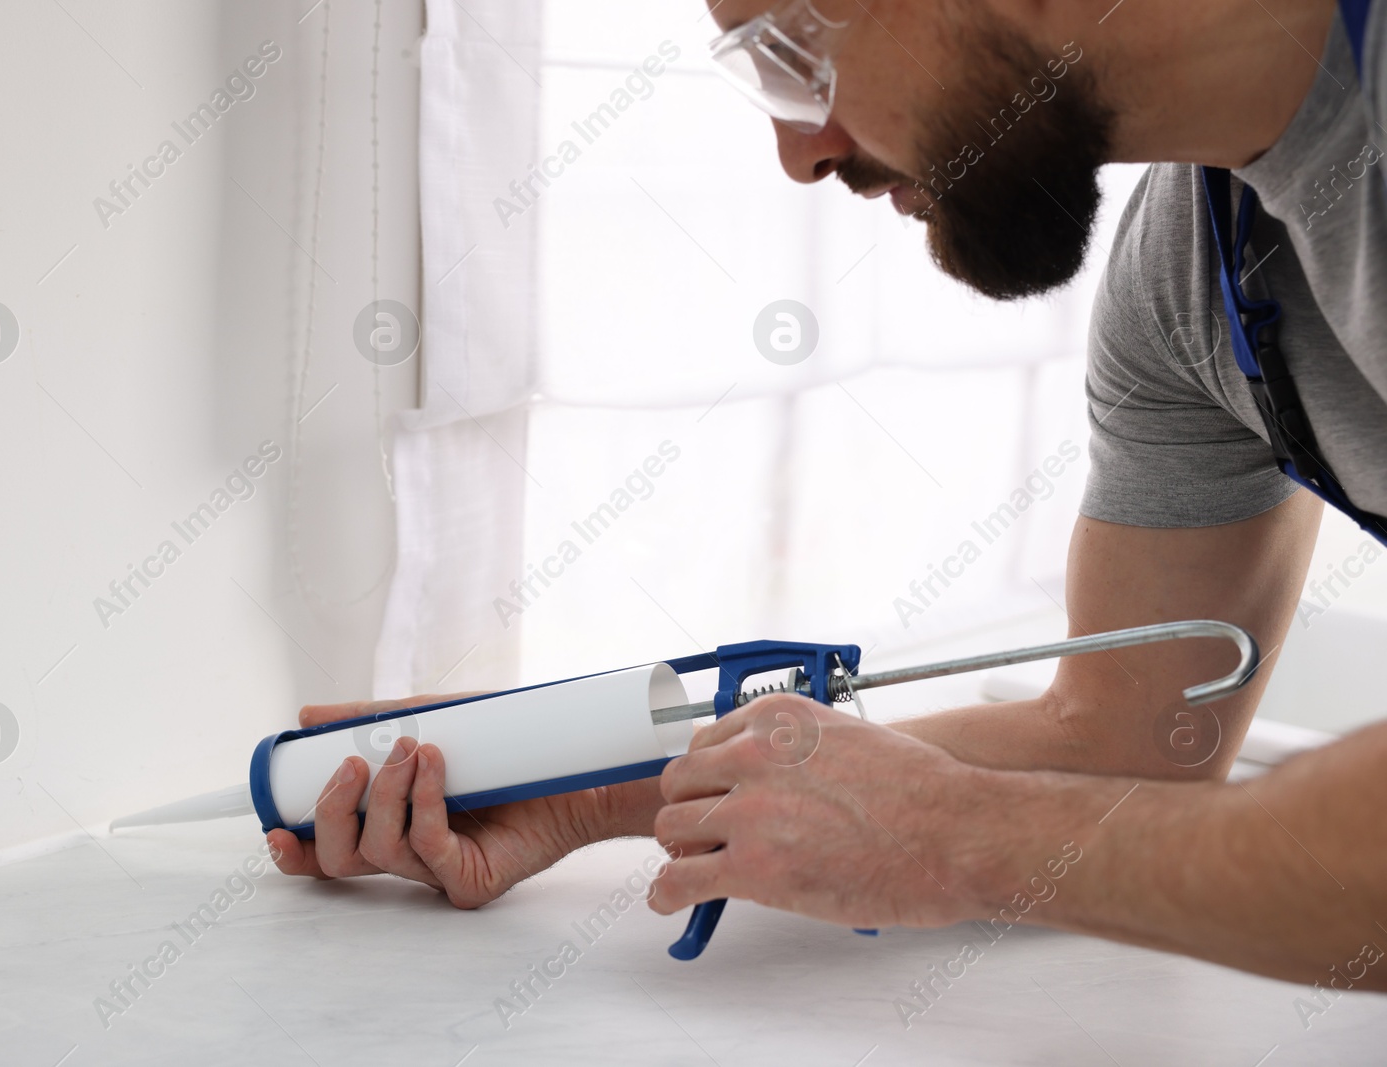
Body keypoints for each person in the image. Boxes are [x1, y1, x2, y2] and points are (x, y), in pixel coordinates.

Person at [270, 0, 1387, 991]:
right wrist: (591, 792)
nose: (798, 154)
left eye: (789, 49)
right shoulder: (1194, 284)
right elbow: (1129, 740)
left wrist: (959, 838)